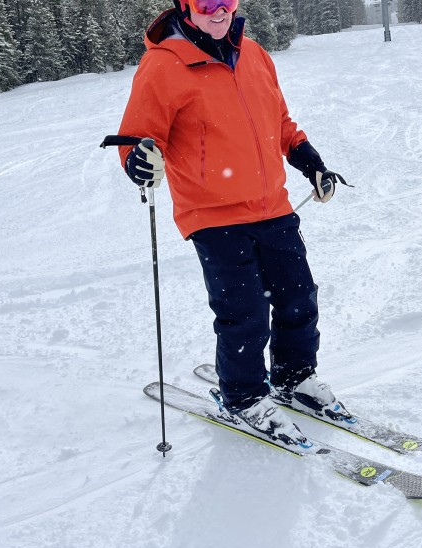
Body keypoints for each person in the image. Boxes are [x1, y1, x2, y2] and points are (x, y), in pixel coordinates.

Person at [116, 0, 351, 447]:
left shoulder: (254, 53)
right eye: (207, 4)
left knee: (298, 297)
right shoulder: (163, 65)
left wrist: (311, 163)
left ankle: (294, 378)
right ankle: (243, 397)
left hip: (273, 207)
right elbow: (137, 136)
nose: (219, 11)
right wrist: (139, 162)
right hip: (212, 214)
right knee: (244, 312)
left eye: (228, 0)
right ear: (185, 7)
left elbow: (279, 122)